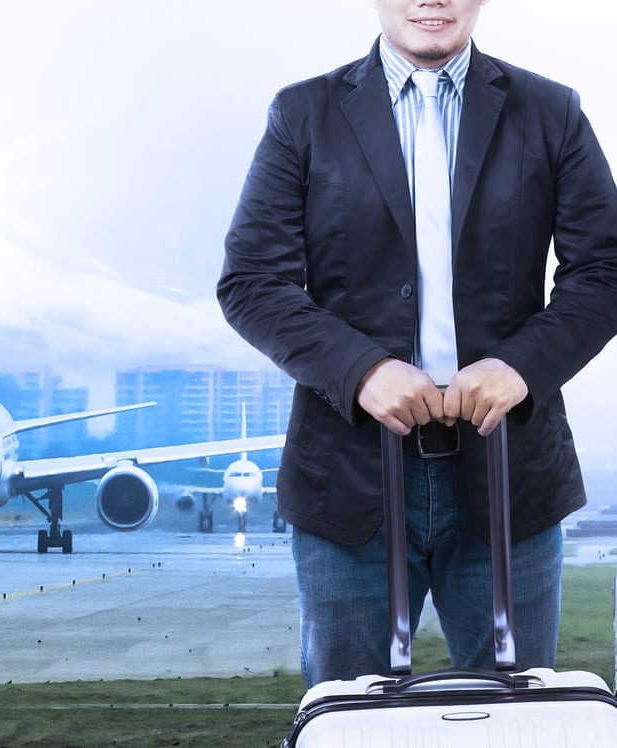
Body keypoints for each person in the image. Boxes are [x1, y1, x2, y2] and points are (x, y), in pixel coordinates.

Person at [217, 0, 617, 687]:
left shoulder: (551, 111)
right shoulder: (302, 114)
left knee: (516, 719)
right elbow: (252, 281)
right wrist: (361, 369)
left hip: (509, 475)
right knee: (345, 714)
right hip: (348, 479)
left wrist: (522, 366)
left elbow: (606, 269)